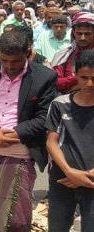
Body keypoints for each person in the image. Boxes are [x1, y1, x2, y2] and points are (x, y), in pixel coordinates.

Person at [0, 29, 58, 231]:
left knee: (15, 216)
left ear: (28, 52)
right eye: (4, 60)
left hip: (19, 155)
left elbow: (44, 117)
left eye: (15, 62)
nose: (8, 67)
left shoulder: (45, 77)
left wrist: (14, 134)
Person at [45, 50, 94, 232]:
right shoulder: (60, 104)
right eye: (84, 77)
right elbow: (51, 141)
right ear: (75, 75)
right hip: (62, 180)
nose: (89, 83)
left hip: (92, 181)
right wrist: (69, 171)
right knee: (57, 227)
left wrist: (86, 176)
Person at [51, 13, 94, 93]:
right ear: (74, 32)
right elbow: (55, 82)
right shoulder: (64, 55)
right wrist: (77, 79)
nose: (82, 38)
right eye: (79, 33)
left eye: (87, 34)